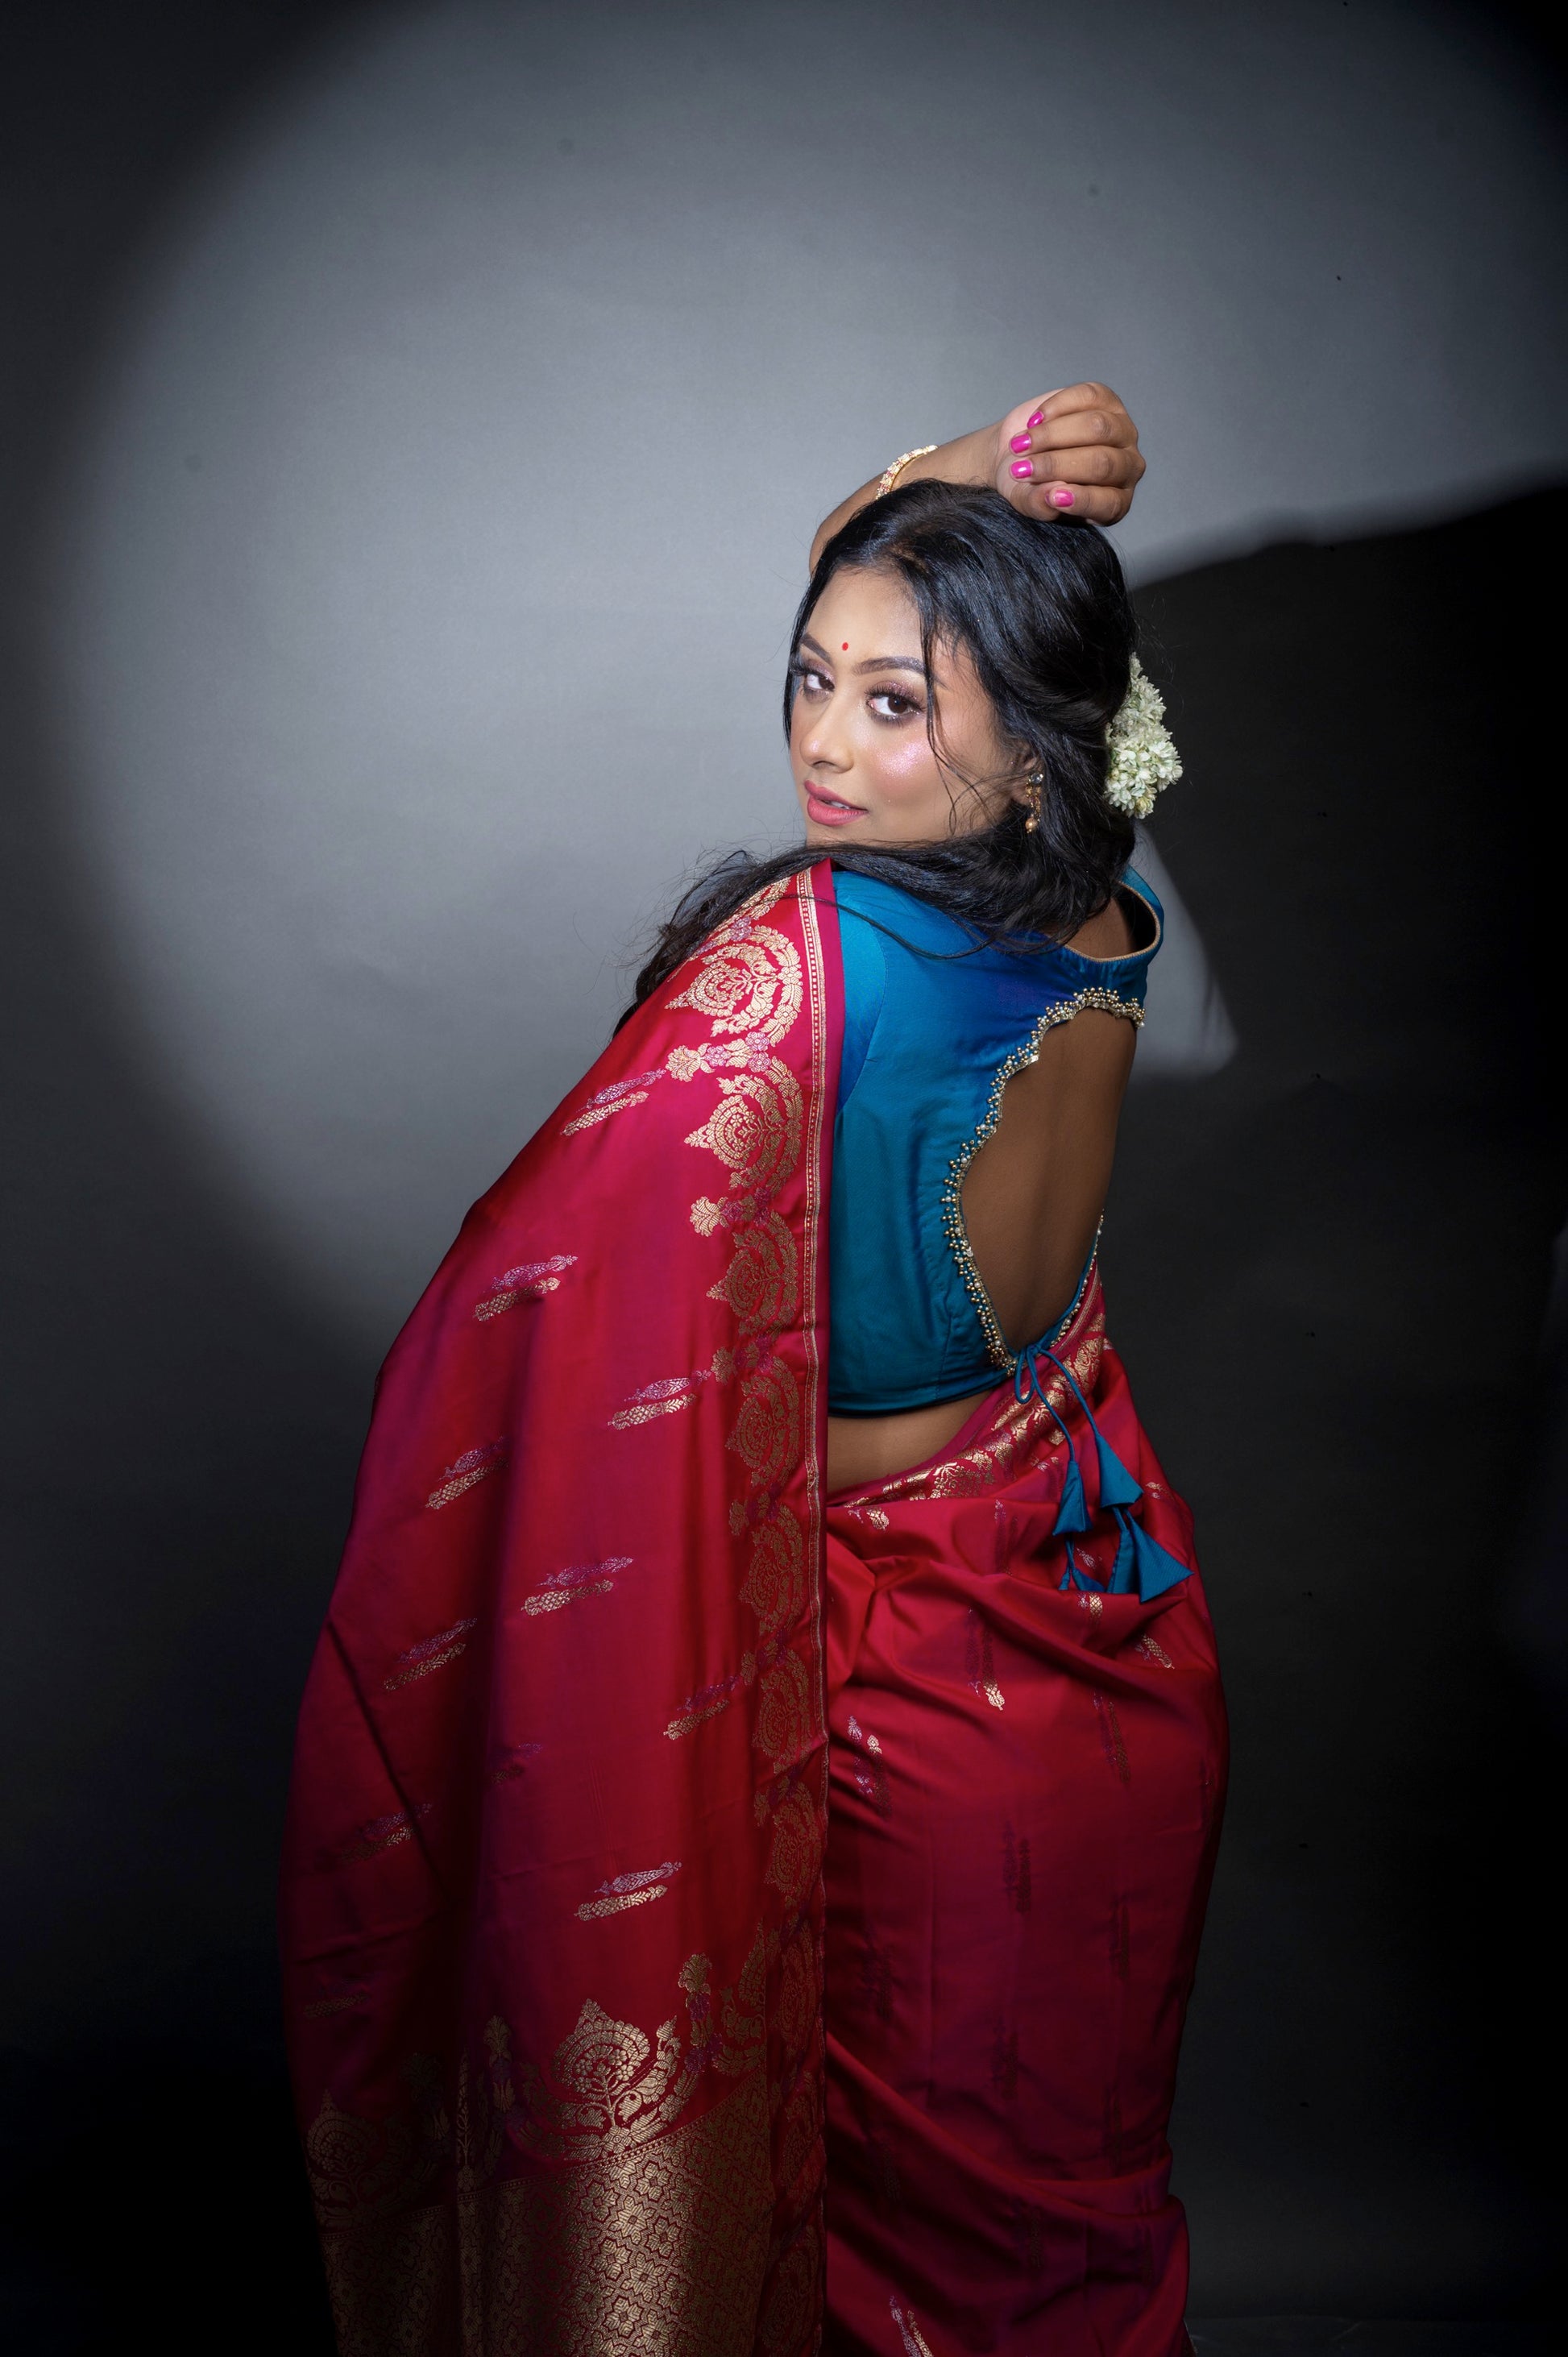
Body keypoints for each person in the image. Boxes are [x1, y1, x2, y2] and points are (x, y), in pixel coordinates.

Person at [280, 386, 1226, 2357]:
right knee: (1054, 2213)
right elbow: (973, 639)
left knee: (906, 2243)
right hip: (1105, 1621)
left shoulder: (808, 956)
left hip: (904, 1682)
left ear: (1033, 745)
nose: (816, 736)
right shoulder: (1101, 900)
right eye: (809, 680)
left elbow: (515, 1291)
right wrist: (980, 480)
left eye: (891, 706)